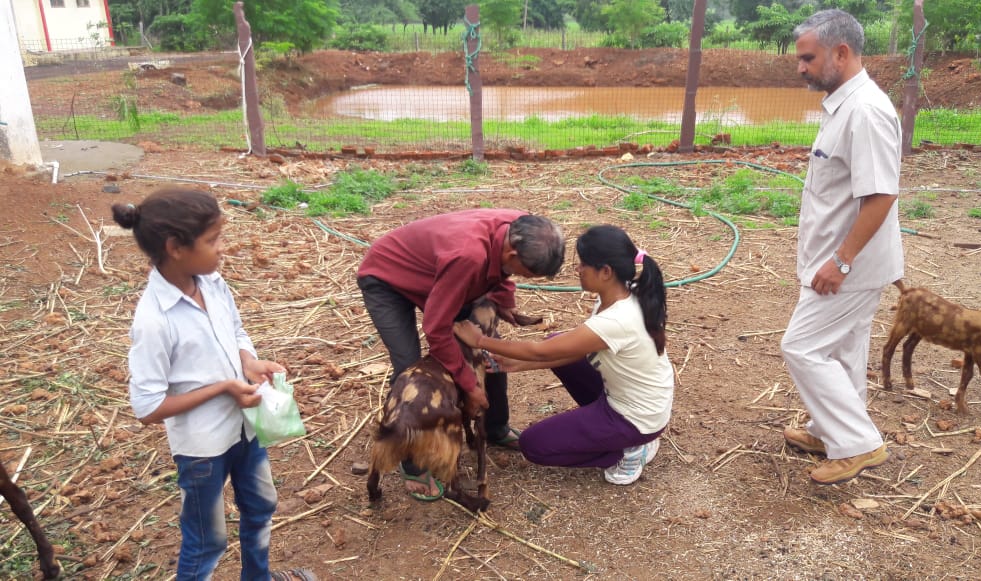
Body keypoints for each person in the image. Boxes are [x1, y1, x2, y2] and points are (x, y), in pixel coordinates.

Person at [113, 189, 315, 581]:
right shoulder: (154, 321)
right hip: (203, 450)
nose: (222, 248)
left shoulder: (212, 283)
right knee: (207, 540)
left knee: (261, 507)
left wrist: (249, 362)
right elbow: (148, 408)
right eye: (212, 240)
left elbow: (235, 331)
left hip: (244, 429)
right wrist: (223, 388)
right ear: (175, 248)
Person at [356, 209, 564, 500]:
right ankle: (412, 459)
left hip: (438, 272)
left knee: (488, 355)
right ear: (512, 252)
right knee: (411, 371)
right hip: (387, 278)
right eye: (525, 272)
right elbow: (437, 329)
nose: (523, 276)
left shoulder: (524, 227)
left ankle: (495, 427)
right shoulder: (468, 256)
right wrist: (470, 385)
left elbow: (502, 274)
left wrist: (505, 300)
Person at [780, 9, 904, 485]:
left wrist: (841, 260)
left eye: (808, 58)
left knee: (802, 348)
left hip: (849, 264)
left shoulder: (865, 112)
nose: (801, 68)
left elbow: (881, 195)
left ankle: (858, 444)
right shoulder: (845, 106)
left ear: (842, 52)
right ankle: (832, 432)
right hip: (839, 259)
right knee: (843, 350)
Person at [454, 225, 673, 485]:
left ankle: (628, 450)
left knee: (533, 445)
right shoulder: (623, 291)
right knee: (556, 341)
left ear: (606, 272)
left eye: (584, 264)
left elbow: (539, 352)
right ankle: (620, 436)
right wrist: (518, 365)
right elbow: (569, 350)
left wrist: (480, 340)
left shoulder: (616, 321)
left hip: (635, 418)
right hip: (634, 396)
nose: (578, 269)